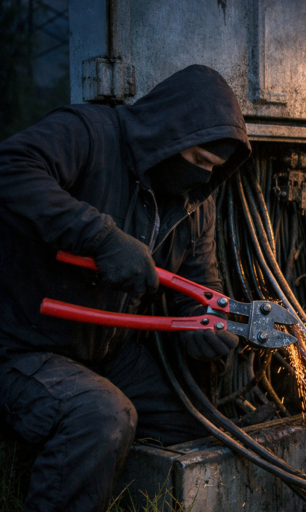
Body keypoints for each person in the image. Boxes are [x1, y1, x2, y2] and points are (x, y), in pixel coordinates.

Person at [0, 65, 251, 512]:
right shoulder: (89, 133)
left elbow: (198, 284)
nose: (200, 178)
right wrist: (99, 237)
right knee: (99, 415)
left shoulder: (196, 201)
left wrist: (204, 330)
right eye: (196, 162)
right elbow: (10, 167)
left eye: (212, 170)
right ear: (167, 136)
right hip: (20, 345)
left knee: (197, 424)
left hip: (107, 352)